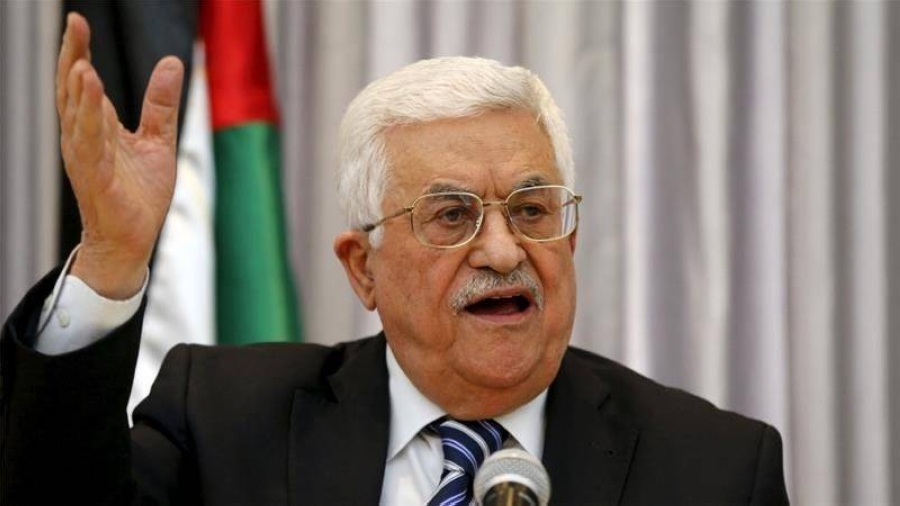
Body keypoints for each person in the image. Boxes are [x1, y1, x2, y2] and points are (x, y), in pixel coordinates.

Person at [0, 13, 788, 506]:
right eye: (451, 216)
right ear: (363, 269)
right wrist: (111, 257)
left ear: (570, 240)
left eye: (532, 210)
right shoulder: (223, 420)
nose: (503, 250)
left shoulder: (713, 470)